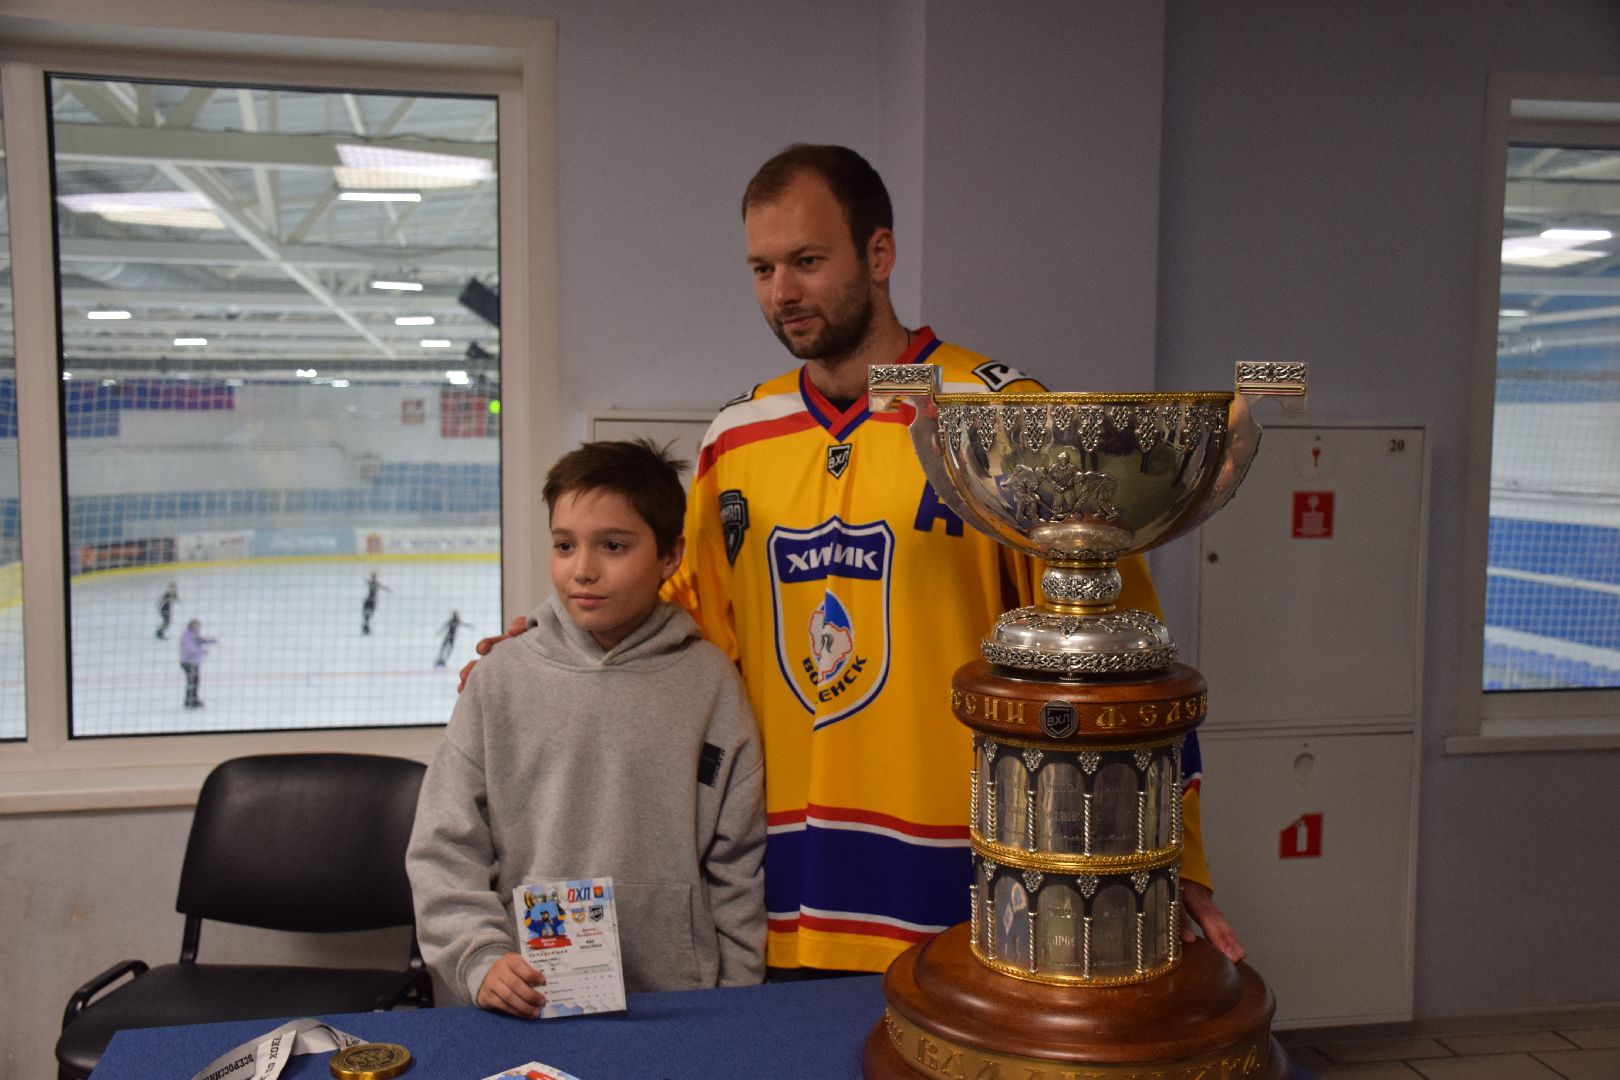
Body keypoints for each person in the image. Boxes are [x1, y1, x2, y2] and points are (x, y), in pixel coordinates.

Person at [468, 144, 1241, 977]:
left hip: (966, 879)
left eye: (806, 261)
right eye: (762, 268)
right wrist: (550, 655)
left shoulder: (1005, 422)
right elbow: (675, 629)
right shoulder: (737, 440)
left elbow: (1125, 657)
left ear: (879, 254)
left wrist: (1174, 857)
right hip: (773, 889)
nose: (782, 292)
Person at [407, 439, 766, 1018]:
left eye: (614, 546)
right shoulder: (500, 679)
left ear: (670, 557)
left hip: (678, 1003)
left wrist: (739, 1000)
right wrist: (478, 956)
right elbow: (444, 847)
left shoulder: (710, 684)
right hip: (523, 997)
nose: (584, 570)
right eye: (564, 545)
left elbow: (737, 862)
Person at [178, 618, 215, 708]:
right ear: (190, 626)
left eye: (198, 626)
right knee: (192, 681)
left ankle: (194, 699)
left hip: (194, 663)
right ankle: (189, 701)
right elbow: (190, 647)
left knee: (195, 681)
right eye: (195, 626)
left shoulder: (193, 634)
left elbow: (199, 640)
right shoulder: (187, 635)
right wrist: (201, 651)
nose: (197, 628)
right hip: (187, 662)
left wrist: (209, 640)